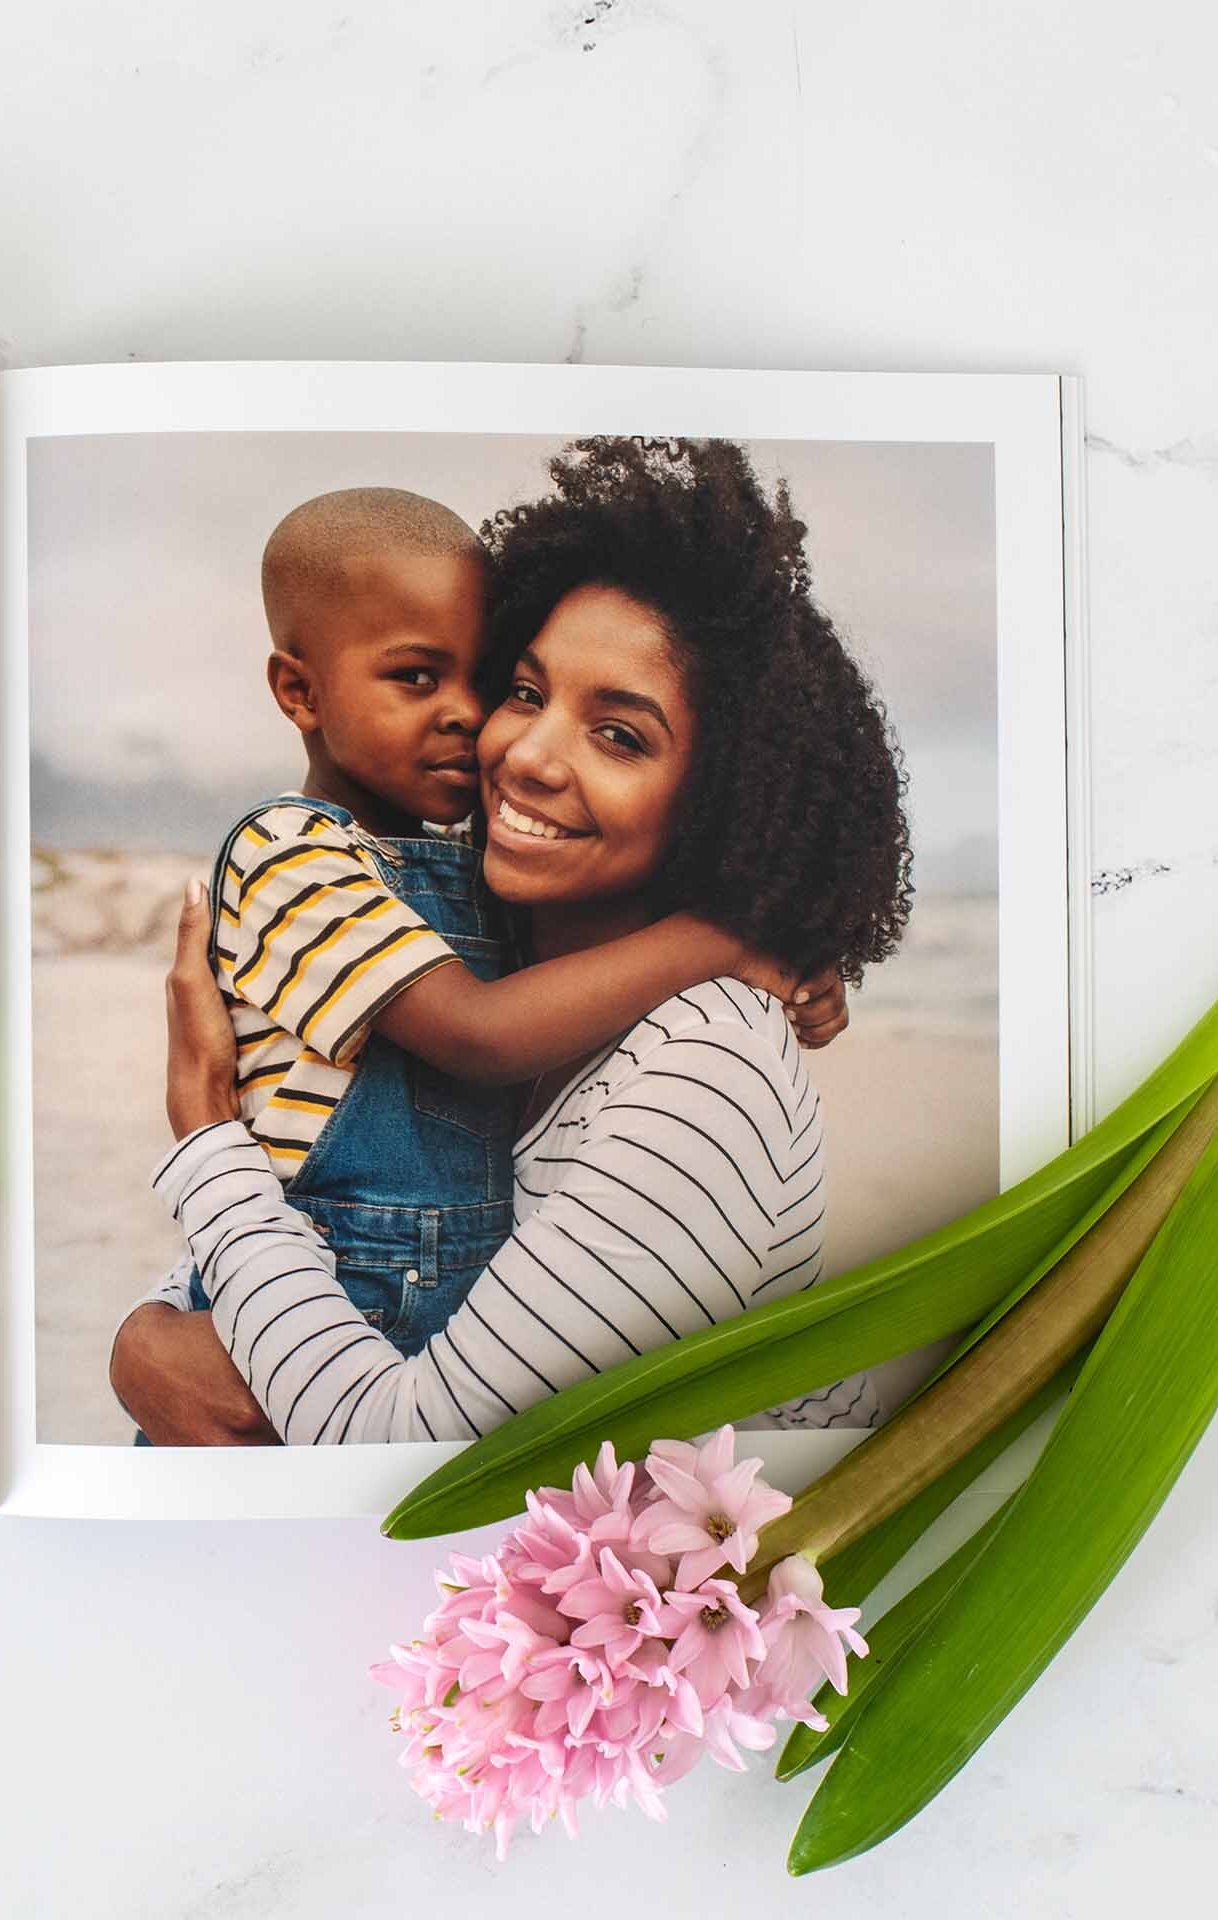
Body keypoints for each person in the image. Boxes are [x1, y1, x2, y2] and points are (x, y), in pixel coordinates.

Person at [112, 438, 910, 1444]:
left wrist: (202, 1135)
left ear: (727, 800)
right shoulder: (479, 944)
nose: (522, 751)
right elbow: (311, 1172)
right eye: (526, 692)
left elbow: (403, 1457)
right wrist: (150, 1337)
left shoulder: (702, 1073)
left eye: (619, 734)